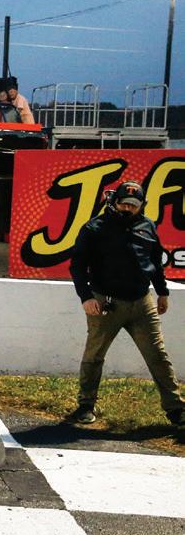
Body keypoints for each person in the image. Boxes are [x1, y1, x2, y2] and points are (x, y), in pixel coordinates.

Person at [67, 181, 184, 429]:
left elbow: (155, 262)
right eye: (124, 203)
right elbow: (77, 266)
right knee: (94, 355)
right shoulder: (94, 228)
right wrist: (86, 297)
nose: (128, 208)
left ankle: (176, 409)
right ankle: (86, 405)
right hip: (105, 302)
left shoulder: (148, 226)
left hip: (142, 302)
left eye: (133, 204)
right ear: (113, 202)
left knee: (158, 355)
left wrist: (162, 292)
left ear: (142, 205)